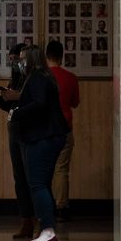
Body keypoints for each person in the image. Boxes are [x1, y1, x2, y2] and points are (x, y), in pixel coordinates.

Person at [1, 46, 68, 241]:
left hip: (43, 137)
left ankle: (47, 230)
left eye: (23, 58)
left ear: (31, 59)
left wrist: (17, 113)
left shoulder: (37, 77)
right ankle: (46, 228)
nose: (20, 62)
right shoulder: (42, 76)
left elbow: (39, 104)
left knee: (37, 184)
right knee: (41, 184)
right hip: (47, 136)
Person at [0, 44, 37, 240]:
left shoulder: (35, 77)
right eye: (12, 60)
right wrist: (5, 96)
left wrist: (18, 97)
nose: (14, 63)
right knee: (19, 177)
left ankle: (39, 220)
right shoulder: (17, 78)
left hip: (30, 129)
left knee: (33, 177)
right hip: (14, 128)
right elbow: (6, 106)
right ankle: (26, 220)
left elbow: (37, 102)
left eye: (17, 59)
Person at [46, 40, 81, 221]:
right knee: (61, 170)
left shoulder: (41, 76)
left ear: (47, 56)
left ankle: (45, 208)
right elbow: (75, 102)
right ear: (62, 56)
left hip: (43, 130)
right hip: (64, 128)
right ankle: (61, 207)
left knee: (43, 169)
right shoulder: (70, 78)